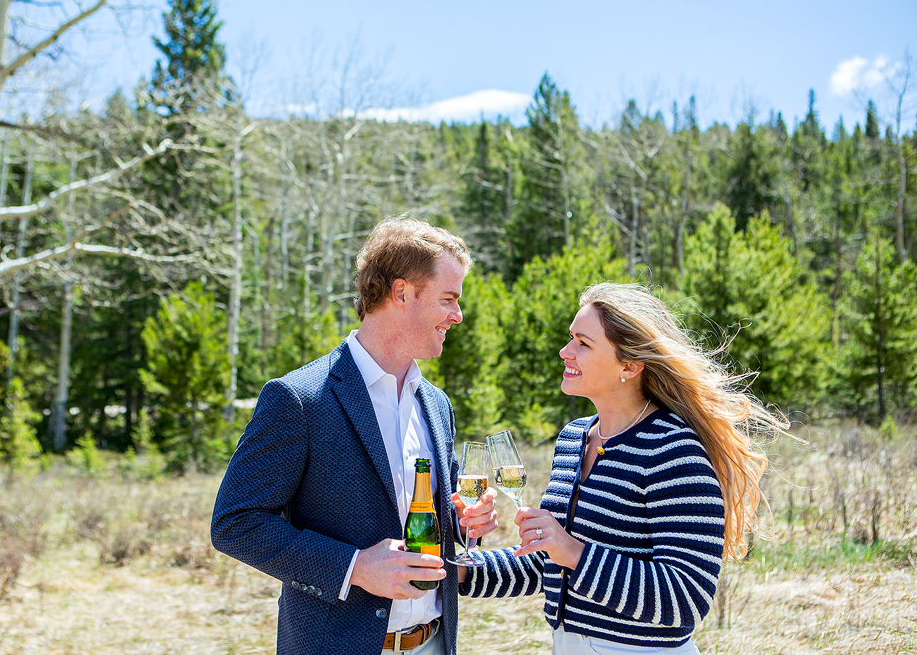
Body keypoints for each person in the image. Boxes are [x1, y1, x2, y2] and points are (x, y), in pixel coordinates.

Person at [211, 217, 498, 655]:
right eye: (448, 299)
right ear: (401, 293)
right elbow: (235, 524)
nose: (458, 315)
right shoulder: (300, 399)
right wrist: (355, 567)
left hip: (436, 643)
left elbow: (435, 515)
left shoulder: (436, 404)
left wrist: (465, 522)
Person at [459, 282, 786, 654]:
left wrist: (574, 552)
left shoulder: (673, 449)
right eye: (571, 338)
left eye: (583, 343)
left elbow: (685, 601)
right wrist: (463, 571)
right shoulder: (573, 438)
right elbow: (550, 564)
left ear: (629, 366)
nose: (565, 352)